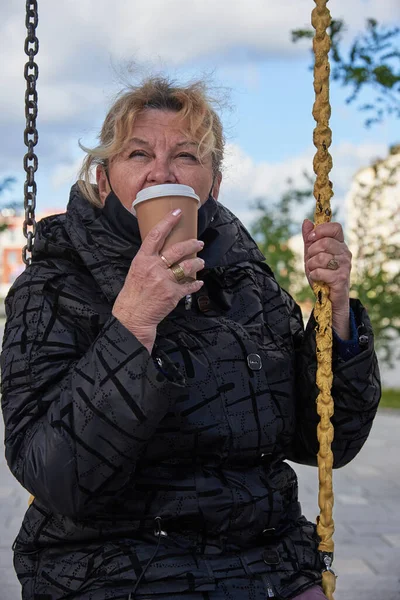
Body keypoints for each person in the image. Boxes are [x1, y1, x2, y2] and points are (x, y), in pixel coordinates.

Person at [1, 77, 380, 600]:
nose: (161, 172)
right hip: (110, 568)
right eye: (138, 153)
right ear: (104, 177)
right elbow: (54, 474)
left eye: (185, 155)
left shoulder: (247, 277)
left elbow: (327, 441)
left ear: (214, 184)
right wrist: (133, 322)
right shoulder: (54, 285)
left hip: (268, 565)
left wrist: (336, 310)